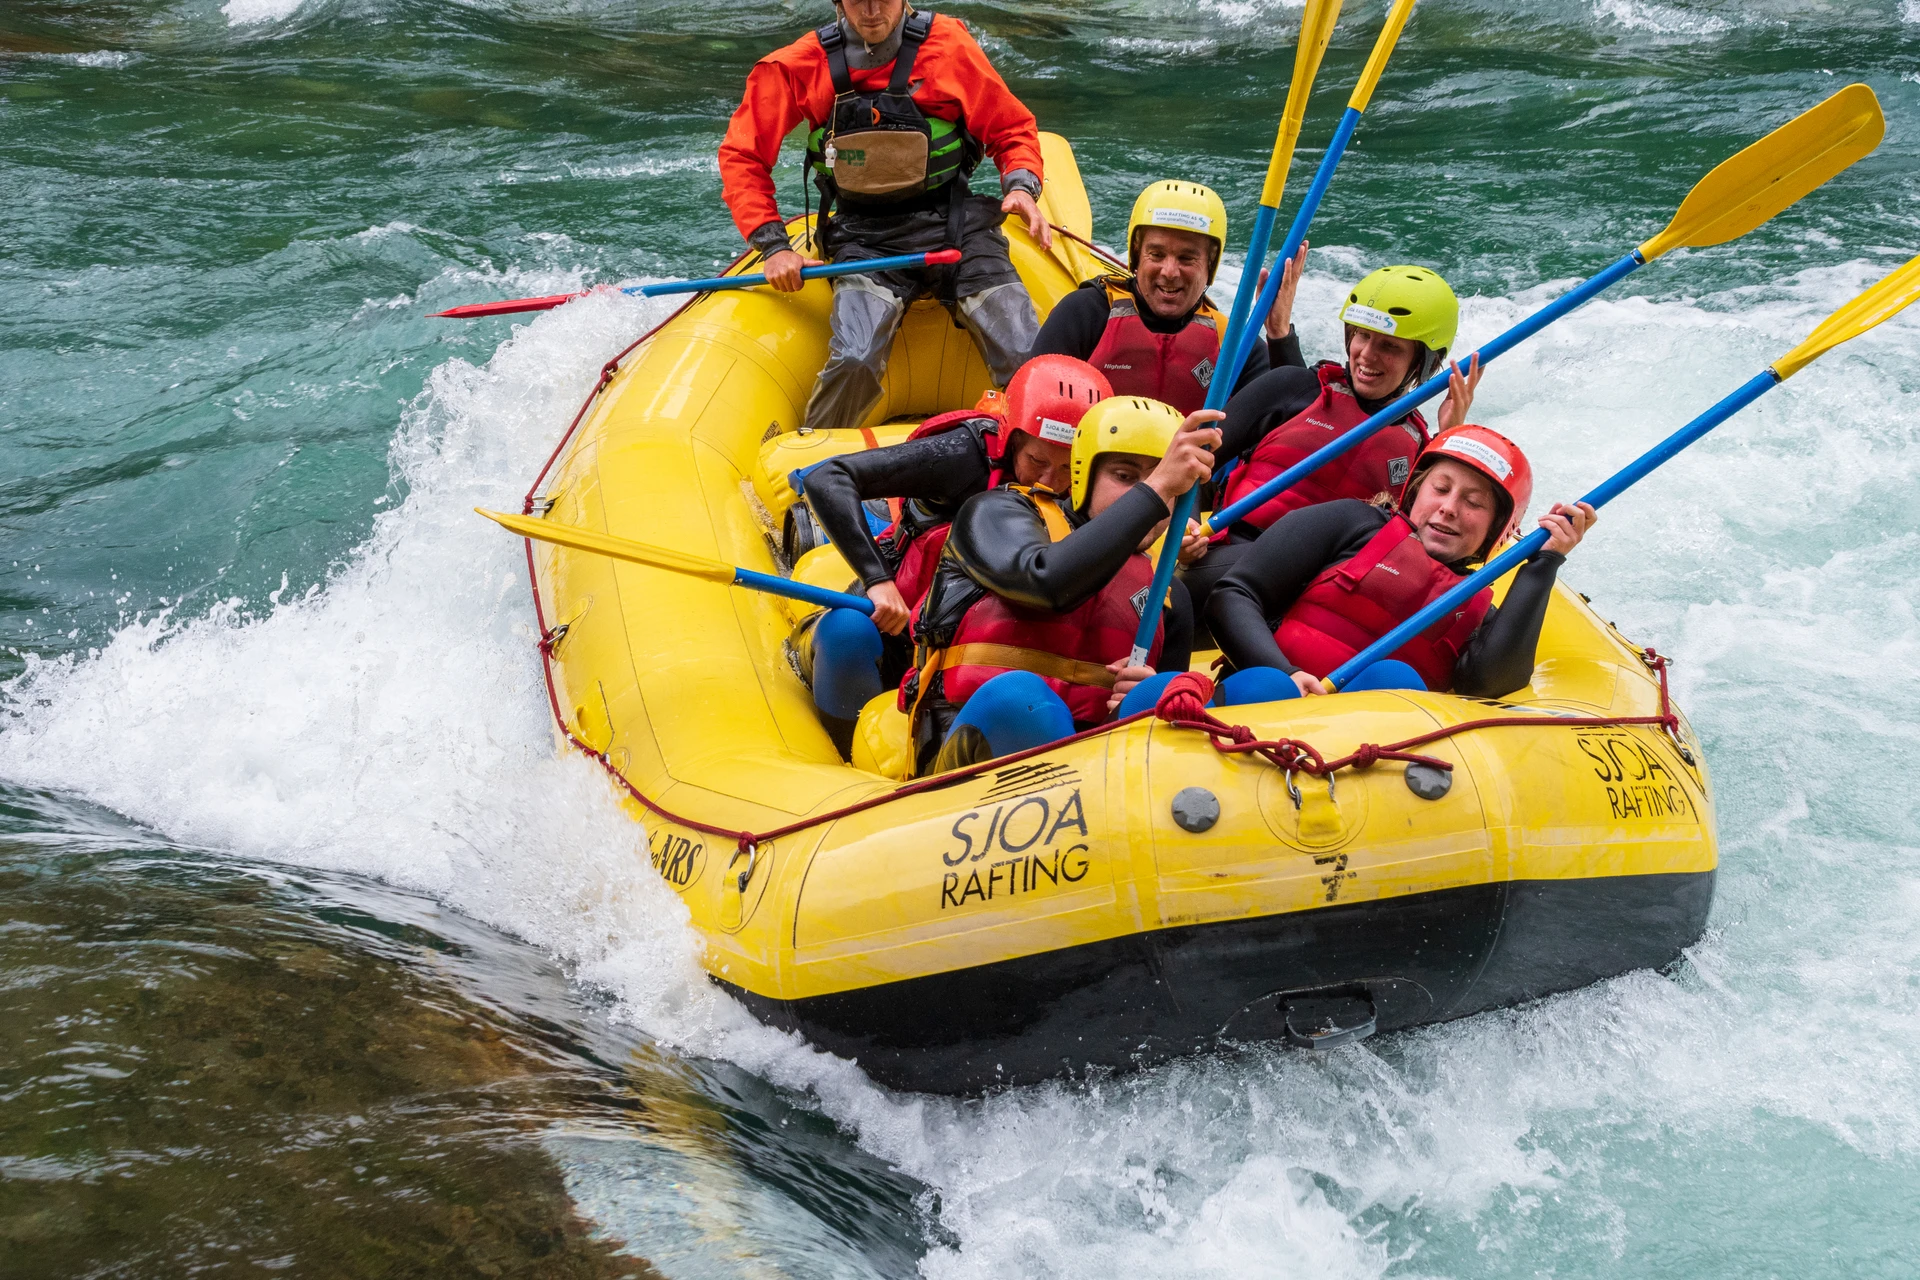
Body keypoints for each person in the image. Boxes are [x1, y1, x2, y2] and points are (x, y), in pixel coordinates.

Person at [719, 0, 1053, 434]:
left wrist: (1022, 187)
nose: (872, 9)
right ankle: (814, 456)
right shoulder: (797, 66)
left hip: (958, 228)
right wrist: (774, 245)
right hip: (863, 238)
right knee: (855, 358)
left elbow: (1011, 129)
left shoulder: (948, 46)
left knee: (1025, 351)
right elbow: (742, 155)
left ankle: (1044, 452)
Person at [792, 355, 1111, 748]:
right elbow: (828, 477)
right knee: (845, 632)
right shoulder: (963, 456)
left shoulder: (1098, 481)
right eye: (1037, 460)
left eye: (1068, 469)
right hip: (894, 626)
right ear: (1012, 438)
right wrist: (877, 580)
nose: (1049, 482)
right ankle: (839, 752)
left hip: (985, 654)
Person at [903, 396, 1222, 774]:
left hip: (1096, 769)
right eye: (1124, 477)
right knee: (1022, 701)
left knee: (1169, 689)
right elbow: (1047, 582)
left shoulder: (1168, 594)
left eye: (1168, 488)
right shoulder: (996, 513)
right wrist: (1158, 485)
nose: (1148, 496)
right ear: (1083, 475)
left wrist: (1140, 689)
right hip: (972, 749)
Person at [1206, 424, 1596, 703]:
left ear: (1498, 527)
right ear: (1416, 490)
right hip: (1265, 704)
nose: (1449, 508)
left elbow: (1490, 685)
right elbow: (1234, 593)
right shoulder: (1351, 523)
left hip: (1359, 755)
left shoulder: (1479, 614)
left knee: (1394, 678)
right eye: (1440, 488)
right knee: (1266, 686)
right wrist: (1285, 674)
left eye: (1473, 503)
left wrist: (1544, 563)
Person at [1182, 264, 1478, 619]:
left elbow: (1427, 550)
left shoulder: (1420, 449)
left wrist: (1449, 438)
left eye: (1390, 346)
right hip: (1233, 556)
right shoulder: (1293, 388)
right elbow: (1191, 461)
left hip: (1324, 591)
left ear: (1424, 362)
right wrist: (1187, 526)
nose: (1366, 354)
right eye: (1362, 335)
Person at [1029, 180, 1308, 413]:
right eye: (1157, 254)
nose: (1170, 272)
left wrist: (1279, 335)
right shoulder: (1085, 314)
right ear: (1136, 256)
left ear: (1210, 266)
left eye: (1187, 258)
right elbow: (1029, 408)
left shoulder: (1232, 344)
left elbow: (1295, 424)